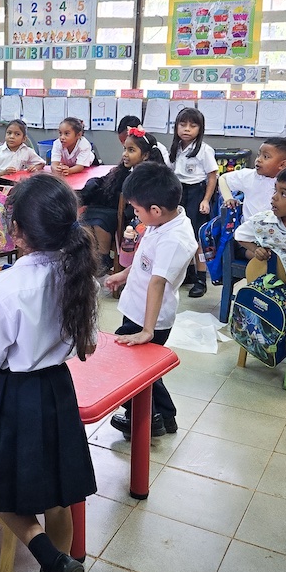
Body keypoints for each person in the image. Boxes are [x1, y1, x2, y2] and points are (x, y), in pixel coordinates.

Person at [0, 173, 98, 572]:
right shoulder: (78, 270)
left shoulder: (7, 285)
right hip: (57, 391)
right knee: (58, 494)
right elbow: (87, 338)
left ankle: (51, 563)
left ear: (19, 233)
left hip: (18, 394)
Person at [105, 162, 198, 439]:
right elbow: (148, 263)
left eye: (136, 208)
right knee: (146, 371)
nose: (135, 213)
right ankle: (165, 416)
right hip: (137, 309)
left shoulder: (175, 239)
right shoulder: (162, 222)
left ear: (155, 210)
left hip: (150, 319)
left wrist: (147, 331)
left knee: (131, 370)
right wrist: (124, 274)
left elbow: (157, 282)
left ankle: (145, 421)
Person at [79, 126, 164, 275]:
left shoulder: (149, 176)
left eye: (131, 150)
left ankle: (104, 258)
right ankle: (93, 256)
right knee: (88, 216)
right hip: (116, 210)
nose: (125, 154)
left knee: (101, 221)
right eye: (124, 149)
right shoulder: (123, 170)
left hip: (132, 217)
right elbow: (107, 183)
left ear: (145, 156)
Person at [169, 107, 218, 298]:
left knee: (198, 238)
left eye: (192, 125)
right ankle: (188, 274)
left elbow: (212, 177)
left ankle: (200, 278)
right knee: (182, 234)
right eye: (182, 124)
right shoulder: (176, 148)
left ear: (200, 128)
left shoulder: (204, 150)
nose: (187, 129)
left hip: (197, 192)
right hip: (178, 192)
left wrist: (206, 200)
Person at [234, 165, 286, 285]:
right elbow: (240, 235)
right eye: (275, 190)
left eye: (283, 194)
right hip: (272, 282)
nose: (274, 197)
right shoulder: (263, 221)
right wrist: (255, 249)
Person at [219, 138, 286, 224]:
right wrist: (228, 198)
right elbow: (223, 178)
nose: (259, 159)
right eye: (258, 155)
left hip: (276, 231)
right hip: (248, 231)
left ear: (282, 165)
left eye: (266, 157)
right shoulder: (249, 176)